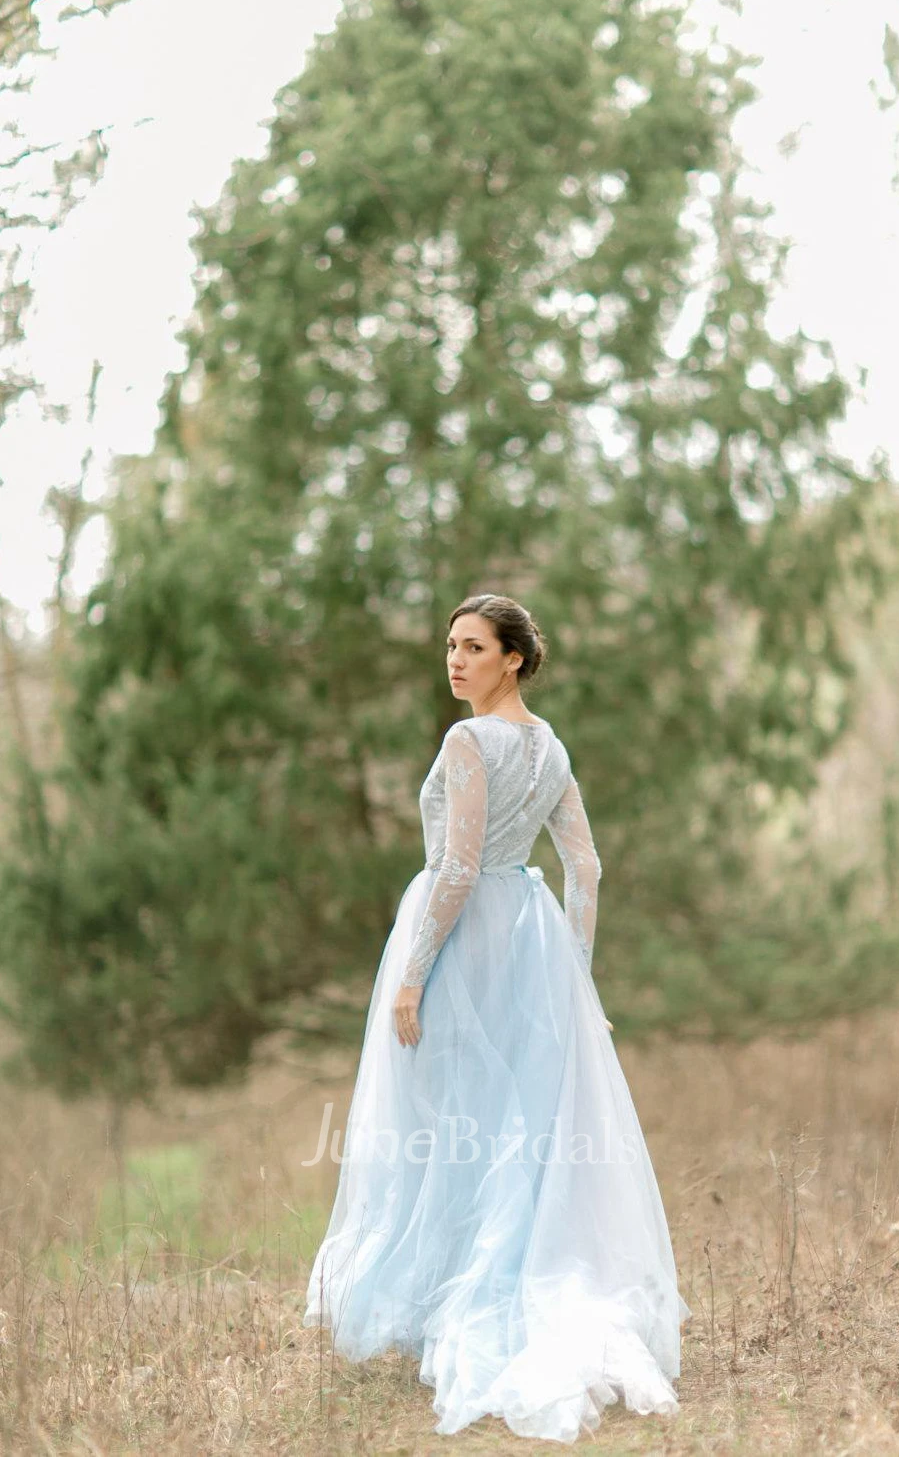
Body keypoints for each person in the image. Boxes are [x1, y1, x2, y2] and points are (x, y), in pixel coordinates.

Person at [303, 593, 691, 1442]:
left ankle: (464, 1301)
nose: (455, 660)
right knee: (513, 1124)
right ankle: (476, 1289)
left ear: (513, 658)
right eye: (451, 645)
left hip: (464, 944)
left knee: (448, 1120)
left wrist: (412, 974)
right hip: (530, 946)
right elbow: (585, 869)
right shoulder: (551, 747)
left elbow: (458, 866)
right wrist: (575, 980)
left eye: (474, 647)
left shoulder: (469, 741)